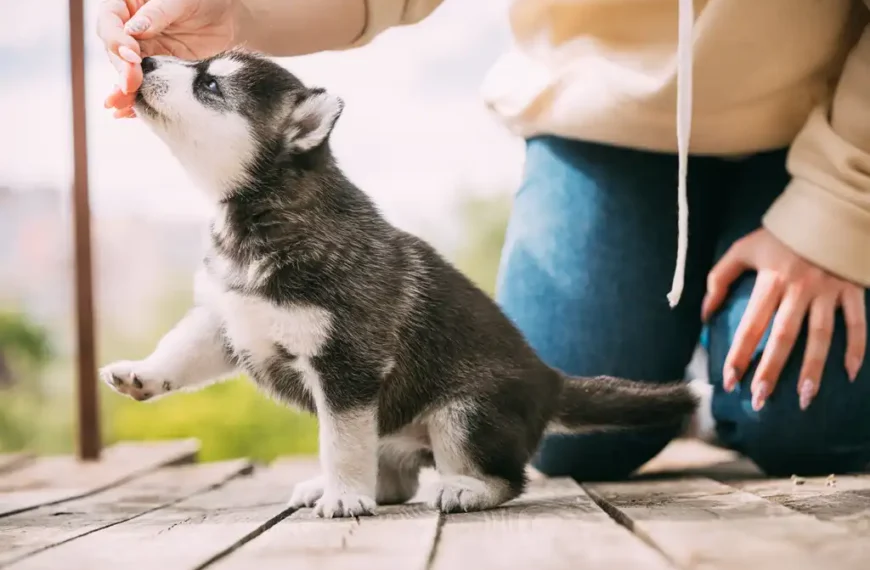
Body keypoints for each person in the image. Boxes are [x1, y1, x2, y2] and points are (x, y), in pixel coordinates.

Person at [98, 0, 870, 479]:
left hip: (831, 116)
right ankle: (697, 375)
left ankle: (721, 384)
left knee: (805, 426)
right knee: (560, 439)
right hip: (607, 121)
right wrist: (241, 12)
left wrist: (841, 200)